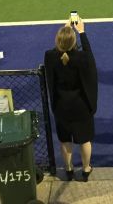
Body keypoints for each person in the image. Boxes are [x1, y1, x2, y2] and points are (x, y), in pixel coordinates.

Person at [44, 18, 98, 181]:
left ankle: (68, 169)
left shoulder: (51, 57)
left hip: (61, 106)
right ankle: (86, 169)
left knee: (65, 140)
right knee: (84, 139)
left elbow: (56, 51)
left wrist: (65, 29)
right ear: (74, 41)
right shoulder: (81, 58)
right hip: (81, 106)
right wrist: (81, 32)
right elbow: (89, 56)